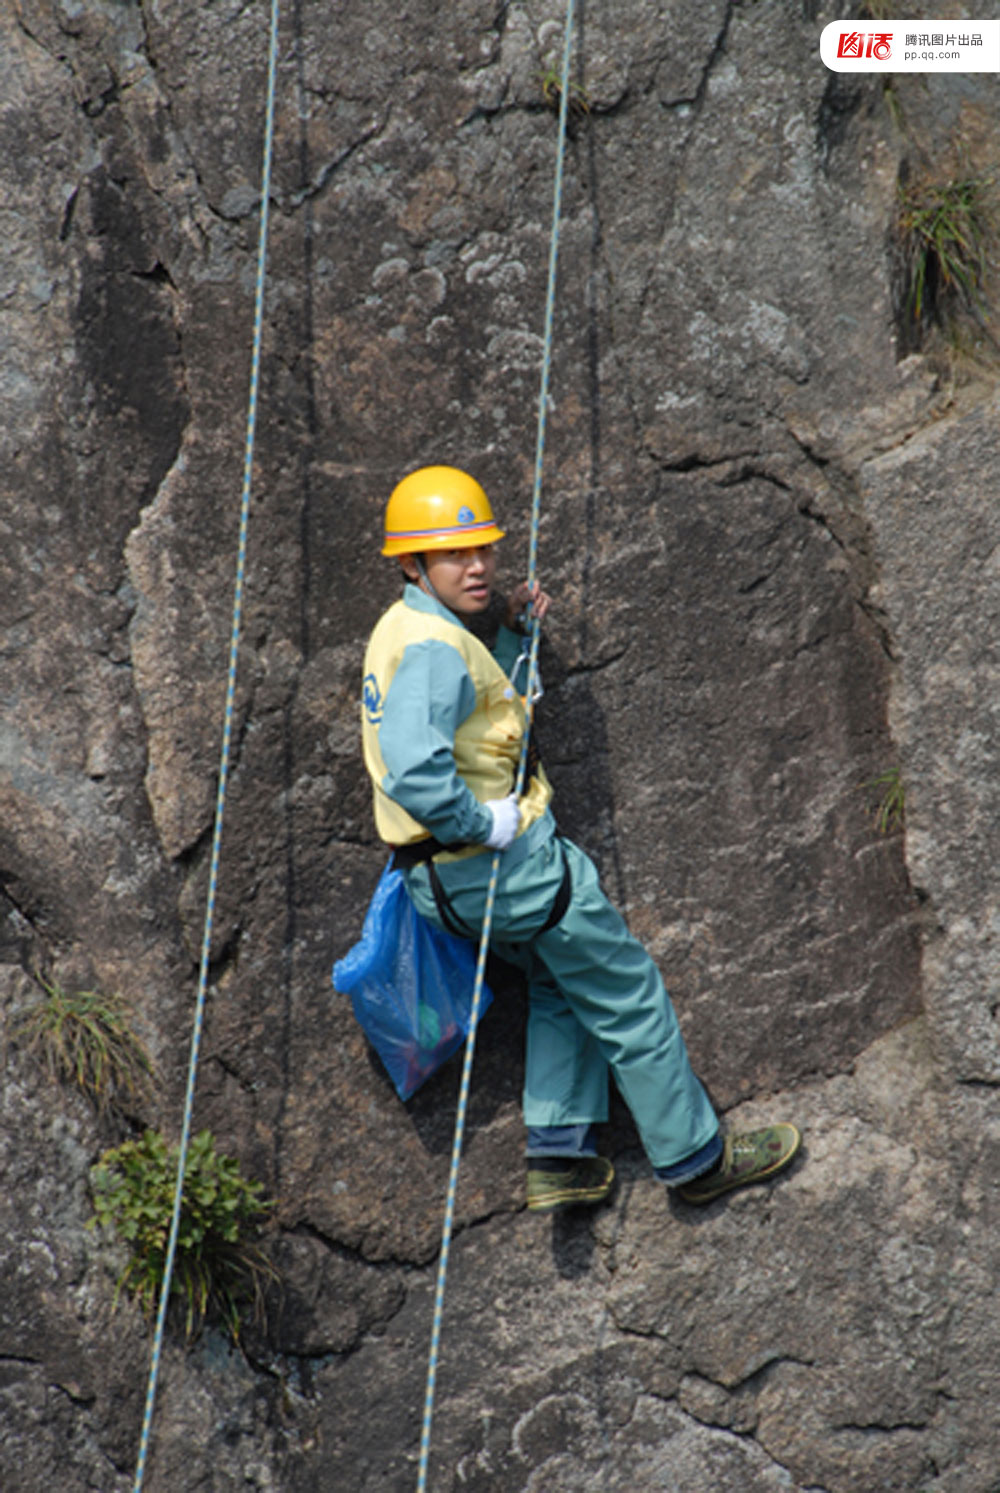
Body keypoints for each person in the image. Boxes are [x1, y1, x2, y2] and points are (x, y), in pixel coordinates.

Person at [360, 464, 801, 1211]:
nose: (477, 566)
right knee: (627, 991)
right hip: (503, 863)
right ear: (412, 562)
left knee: (558, 979)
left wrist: (513, 631)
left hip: (441, 883)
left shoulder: (410, 631)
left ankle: (561, 1154)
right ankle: (696, 1159)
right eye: (454, 554)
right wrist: (480, 820)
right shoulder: (436, 649)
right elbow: (415, 766)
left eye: (483, 551)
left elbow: (475, 712)